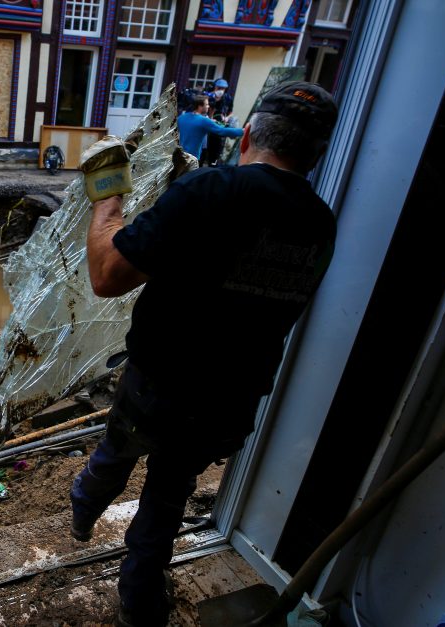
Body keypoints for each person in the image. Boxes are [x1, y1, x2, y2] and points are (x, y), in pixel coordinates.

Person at [72, 81, 339, 627]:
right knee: (167, 499)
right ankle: (141, 606)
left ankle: (82, 513)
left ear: (246, 137)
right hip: (229, 401)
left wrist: (107, 202)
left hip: (158, 388)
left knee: (117, 453)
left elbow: (106, 276)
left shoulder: (209, 192)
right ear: (317, 155)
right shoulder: (320, 223)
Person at [177, 94, 243, 162]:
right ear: (200, 106)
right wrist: (242, 131)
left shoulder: (181, 118)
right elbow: (222, 131)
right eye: (206, 104)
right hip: (192, 159)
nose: (208, 106)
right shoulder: (203, 120)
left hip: (180, 156)